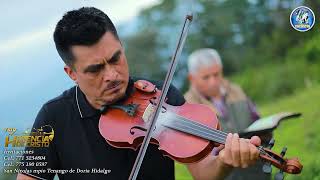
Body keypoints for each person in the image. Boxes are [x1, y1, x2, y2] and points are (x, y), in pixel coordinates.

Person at [17, 7, 261, 180]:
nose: (112, 75)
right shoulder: (53, 116)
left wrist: (225, 161)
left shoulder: (162, 95)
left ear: (121, 47)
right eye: (95, 69)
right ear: (72, 73)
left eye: (116, 58)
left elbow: (204, 172)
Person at [184, 48, 271, 180]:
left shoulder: (236, 90)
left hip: (254, 167)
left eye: (216, 74)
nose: (213, 81)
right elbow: (196, 153)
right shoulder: (187, 106)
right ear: (192, 78)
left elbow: (256, 118)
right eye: (206, 77)